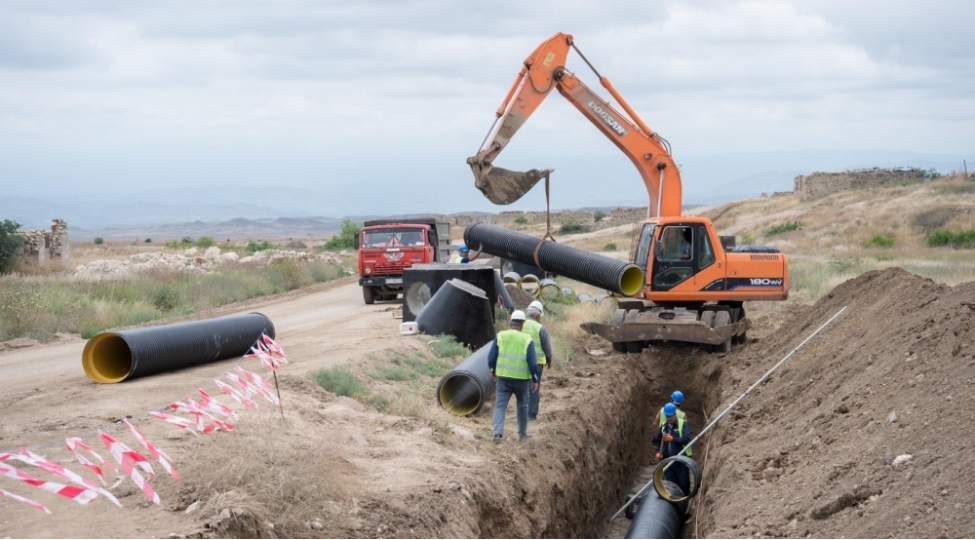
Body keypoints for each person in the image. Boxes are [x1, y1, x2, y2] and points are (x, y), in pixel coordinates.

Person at [488, 310, 539, 443]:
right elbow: (533, 363)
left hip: (503, 378)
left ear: (510, 323)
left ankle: (498, 434)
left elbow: (491, 357)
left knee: (500, 406)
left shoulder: (501, 336)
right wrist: (535, 379)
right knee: (523, 406)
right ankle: (522, 434)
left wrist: (493, 370)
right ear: (522, 324)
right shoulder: (527, 339)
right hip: (522, 381)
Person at [652, 403, 693, 495]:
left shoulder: (683, 424)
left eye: (670, 416)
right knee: (670, 484)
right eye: (667, 416)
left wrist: (673, 439)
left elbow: (686, 439)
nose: (669, 418)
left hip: (680, 459)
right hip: (667, 460)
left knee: (684, 483)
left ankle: (684, 502)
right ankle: (673, 502)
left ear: (675, 414)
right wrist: (658, 452)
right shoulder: (663, 426)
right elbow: (657, 441)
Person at [523, 300, 553, 421]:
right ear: (537, 315)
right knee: (534, 387)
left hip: (522, 362)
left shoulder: (519, 325)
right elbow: (547, 347)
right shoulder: (541, 328)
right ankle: (531, 414)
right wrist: (549, 360)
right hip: (537, 363)